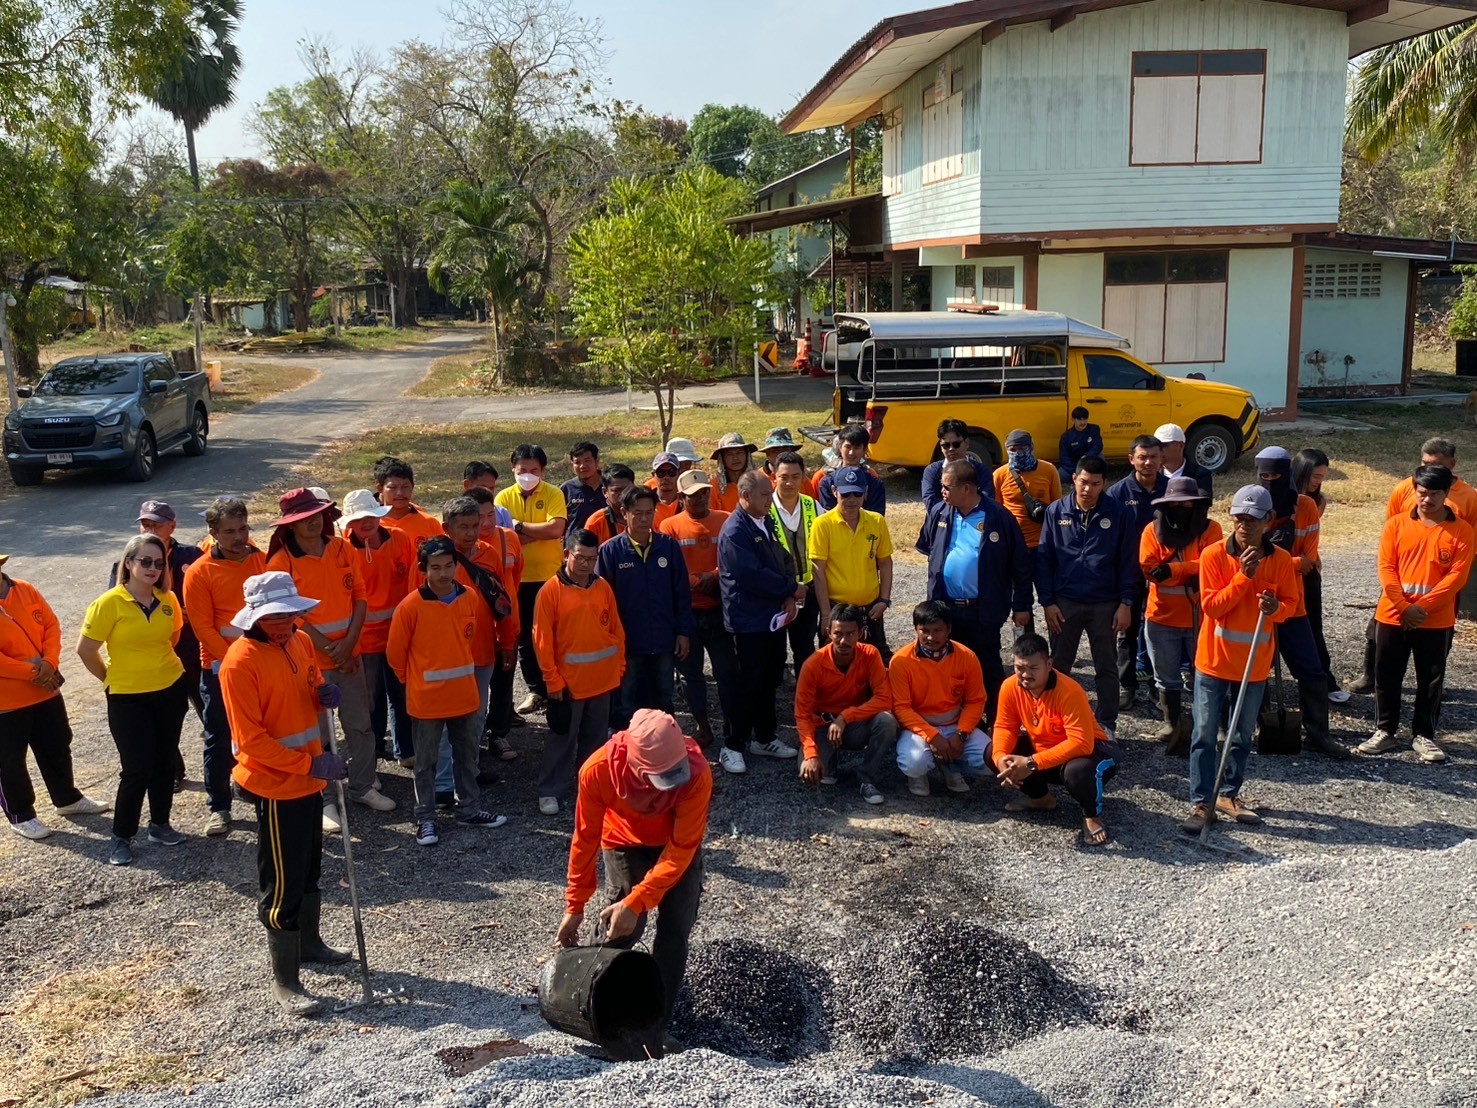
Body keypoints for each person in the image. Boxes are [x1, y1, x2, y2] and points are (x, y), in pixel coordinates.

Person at [219, 571, 352, 1017]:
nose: (284, 624)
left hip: (308, 780)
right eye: (275, 617)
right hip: (277, 787)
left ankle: (310, 945)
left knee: (310, 868)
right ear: (255, 617)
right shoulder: (239, 663)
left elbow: (306, 690)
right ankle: (286, 981)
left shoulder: (300, 642)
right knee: (282, 881)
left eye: (290, 615)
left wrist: (321, 695)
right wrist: (310, 764)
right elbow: (251, 740)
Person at [556, 708, 711, 1053]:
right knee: (622, 926)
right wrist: (575, 905)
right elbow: (585, 839)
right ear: (636, 767)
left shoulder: (697, 773)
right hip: (623, 842)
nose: (672, 784)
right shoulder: (598, 770)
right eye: (661, 778)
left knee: (675, 931)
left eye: (675, 773)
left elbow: (681, 849)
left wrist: (638, 901)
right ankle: (580, 998)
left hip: (675, 848)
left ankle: (655, 1025)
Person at [266, 488, 395, 831]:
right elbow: (290, 616)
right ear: (291, 525)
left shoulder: (341, 548)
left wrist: (349, 644)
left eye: (317, 515)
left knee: (360, 724)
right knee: (317, 736)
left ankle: (362, 786)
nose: (313, 523)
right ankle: (324, 799)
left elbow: (360, 596)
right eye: (304, 518)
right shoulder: (281, 563)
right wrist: (326, 648)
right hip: (310, 663)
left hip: (349, 657)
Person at [1181, 486, 1299, 833]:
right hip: (1214, 662)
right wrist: (1242, 577)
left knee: (1242, 736)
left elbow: (1290, 605)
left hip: (1254, 665)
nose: (1243, 525)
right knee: (1204, 735)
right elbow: (1212, 607)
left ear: (1269, 520)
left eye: (1252, 519)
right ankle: (1201, 802)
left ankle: (1228, 795)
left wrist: (1275, 609)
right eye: (1238, 518)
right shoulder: (1213, 555)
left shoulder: (1280, 561)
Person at [79, 534, 191, 865]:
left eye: (159, 562)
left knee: (164, 761)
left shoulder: (168, 598)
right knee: (136, 768)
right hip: (128, 698)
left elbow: (172, 638)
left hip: (170, 689)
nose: (152, 568)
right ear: (128, 563)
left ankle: (160, 825)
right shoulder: (108, 603)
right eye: (145, 561)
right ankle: (122, 836)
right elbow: (85, 651)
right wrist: (110, 679)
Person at [388, 536, 507, 846]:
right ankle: (426, 819)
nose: (443, 573)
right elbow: (395, 655)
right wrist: (415, 685)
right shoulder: (410, 607)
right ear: (423, 569)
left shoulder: (469, 596)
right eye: (436, 567)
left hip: (464, 697)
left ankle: (469, 809)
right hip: (427, 702)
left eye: (449, 566)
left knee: (467, 757)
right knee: (425, 764)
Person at [1355, 465, 1474, 764]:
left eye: (1434, 494)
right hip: (1393, 615)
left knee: (1431, 679)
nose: (1427, 500)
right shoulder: (1396, 525)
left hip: (1435, 620)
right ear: (1414, 492)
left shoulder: (1462, 530)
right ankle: (1385, 731)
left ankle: (1424, 735)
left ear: (1447, 494)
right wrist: (1404, 607)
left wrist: (1423, 608)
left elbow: (1457, 577)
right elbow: (1386, 568)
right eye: (1422, 493)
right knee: (1387, 675)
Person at [1350, 437, 1477, 692]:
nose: (1430, 469)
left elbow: (1470, 540)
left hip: (1440, 585)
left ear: (1452, 464)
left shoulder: (1469, 497)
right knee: (1379, 629)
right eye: (1425, 463)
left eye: (1437, 464)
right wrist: (1402, 603)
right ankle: (1370, 675)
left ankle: (1432, 681)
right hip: (1400, 581)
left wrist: (1427, 603)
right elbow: (1391, 529)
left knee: (1438, 636)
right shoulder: (1404, 488)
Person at [1, 555, 109, 840]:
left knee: (58, 744)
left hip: (45, 690)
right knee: (8, 760)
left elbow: (50, 625)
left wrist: (50, 661)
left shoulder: (25, 589)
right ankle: (21, 815)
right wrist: (32, 671)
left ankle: (67, 799)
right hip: (6, 702)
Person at [917, 460, 1032, 717]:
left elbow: (1021, 566)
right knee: (949, 667)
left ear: (967, 488)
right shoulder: (940, 512)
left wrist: (1022, 605)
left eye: (947, 487)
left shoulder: (998, 517)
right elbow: (930, 550)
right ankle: (956, 718)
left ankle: (996, 720)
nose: (941, 491)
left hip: (983, 611)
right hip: (946, 609)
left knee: (987, 667)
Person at [1254, 446, 1346, 759]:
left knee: (1312, 670)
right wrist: (1290, 562)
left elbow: (1309, 559)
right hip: (1259, 605)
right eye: (1264, 475)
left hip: (1294, 605)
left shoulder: (1306, 506)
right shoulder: (1251, 501)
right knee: (1257, 671)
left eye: (1275, 475)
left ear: (1288, 474)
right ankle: (1259, 727)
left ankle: (1318, 734)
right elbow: (1248, 557)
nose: (1269, 481)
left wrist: (1276, 562)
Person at [182, 496, 267, 836]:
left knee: (262, 731)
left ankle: (260, 790)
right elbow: (203, 629)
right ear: (213, 533)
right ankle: (219, 806)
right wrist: (236, 662)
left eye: (243, 528)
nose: (239, 537)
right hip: (219, 668)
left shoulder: (262, 561)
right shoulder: (200, 572)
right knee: (219, 736)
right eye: (229, 531)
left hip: (264, 664)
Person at [1036, 455, 1138, 736]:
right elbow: (1044, 559)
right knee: (1058, 666)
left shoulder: (1119, 514)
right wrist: (1047, 602)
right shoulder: (1056, 511)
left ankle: (1106, 724)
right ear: (1074, 479)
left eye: (1095, 484)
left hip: (1105, 603)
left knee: (1106, 666)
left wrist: (1126, 602)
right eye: (1083, 482)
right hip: (1065, 603)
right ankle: (1055, 722)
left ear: (1104, 483)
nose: (1088, 489)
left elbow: (1128, 562)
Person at [109, 500, 202, 792]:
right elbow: (120, 604)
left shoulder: (191, 555)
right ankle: (172, 771)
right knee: (162, 723)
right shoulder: (127, 562)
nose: (149, 529)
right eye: (145, 524)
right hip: (153, 661)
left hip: (194, 650)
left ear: (172, 526)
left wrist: (191, 613)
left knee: (212, 715)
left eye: (156, 524)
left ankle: (232, 771)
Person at [991, 633, 1118, 847]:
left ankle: (1091, 815)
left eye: (1033, 668)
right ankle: (1041, 799)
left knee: (1077, 772)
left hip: (1096, 750)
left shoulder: (1069, 690)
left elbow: (1082, 743)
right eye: (1019, 668)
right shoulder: (1010, 686)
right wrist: (1000, 758)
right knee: (992, 752)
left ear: (1049, 664)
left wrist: (1031, 763)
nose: (1025, 675)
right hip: (1047, 750)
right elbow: (1004, 726)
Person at [717, 471, 803, 774]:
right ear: (745, 496)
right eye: (765, 494)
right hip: (748, 620)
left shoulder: (765, 521)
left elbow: (784, 559)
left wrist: (789, 594)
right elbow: (751, 575)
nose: (770, 499)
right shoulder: (734, 531)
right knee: (748, 682)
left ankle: (764, 737)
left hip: (772, 617)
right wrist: (790, 588)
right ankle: (732, 745)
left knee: (770, 678)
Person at [533, 529, 625, 815]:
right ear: (566, 555)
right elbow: (542, 641)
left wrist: (619, 667)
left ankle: (591, 787)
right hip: (569, 685)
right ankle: (550, 790)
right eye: (580, 557)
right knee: (562, 739)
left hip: (602, 681)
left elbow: (616, 630)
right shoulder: (550, 592)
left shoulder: (602, 587)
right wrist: (552, 680)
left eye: (591, 558)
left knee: (595, 741)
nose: (586, 564)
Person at [441, 496, 521, 789]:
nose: (471, 533)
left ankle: (469, 771)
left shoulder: (489, 554)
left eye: (475, 526)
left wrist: (507, 642)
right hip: (447, 658)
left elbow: (502, 601)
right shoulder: (434, 561)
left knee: (476, 716)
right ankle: (446, 781)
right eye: (463, 527)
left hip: (482, 651)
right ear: (446, 528)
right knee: (447, 720)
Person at [596, 487, 693, 729]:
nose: (643, 519)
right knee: (625, 701)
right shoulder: (610, 551)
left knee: (663, 698)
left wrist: (683, 632)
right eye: (637, 513)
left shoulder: (668, 547)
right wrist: (610, 640)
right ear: (624, 513)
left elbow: (681, 593)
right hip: (627, 643)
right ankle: (624, 743)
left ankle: (664, 743)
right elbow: (601, 601)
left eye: (649, 513)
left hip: (663, 640)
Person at [1138, 477, 1222, 754]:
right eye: (1174, 504)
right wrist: (1190, 572)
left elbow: (1212, 564)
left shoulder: (1211, 529)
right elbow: (1150, 569)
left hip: (1201, 617)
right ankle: (1172, 723)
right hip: (1161, 617)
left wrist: (1174, 570)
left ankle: (1210, 723)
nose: (1180, 509)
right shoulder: (1151, 531)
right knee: (1165, 677)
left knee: (1206, 675)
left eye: (1186, 504)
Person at [659, 470, 738, 748]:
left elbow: (733, 557)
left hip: (719, 610)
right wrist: (697, 581)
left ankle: (733, 728)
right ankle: (703, 727)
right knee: (691, 675)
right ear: (681, 497)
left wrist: (714, 576)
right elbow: (669, 567)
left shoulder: (725, 519)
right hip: (686, 613)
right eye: (693, 495)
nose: (700, 498)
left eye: (704, 492)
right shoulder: (669, 526)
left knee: (727, 673)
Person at [795, 605, 898, 804]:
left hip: (853, 725)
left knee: (887, 721)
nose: (843, 640)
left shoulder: (870, 654)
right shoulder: (812, 665)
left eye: (850, 634)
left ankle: (866, 778)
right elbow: (802, 714)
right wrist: (810, 754)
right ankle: (829, 759)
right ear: (828, 632)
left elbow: (884, 699)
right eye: (838, 634)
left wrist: (845, 718)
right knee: (812, 773)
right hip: (822, 726)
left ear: (861, 633)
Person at [341, 489, 416, 765]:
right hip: (365, 641)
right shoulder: (343, 550)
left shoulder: (400, 538)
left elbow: (413, 581)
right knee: (370, 700)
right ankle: (372, 752)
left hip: (398, 636)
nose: (365, 523)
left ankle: (406, 750)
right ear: (349, 523)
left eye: (370, 516)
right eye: (358, 519)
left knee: (401, 693)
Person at [495, 444, 569, 716]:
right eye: (522, 470)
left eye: (534, 470)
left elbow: (556, 529)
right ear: (513, 469)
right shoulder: (502, 497)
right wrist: (537, 533)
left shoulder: (553, 493)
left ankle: (561, 684)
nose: (528, 475)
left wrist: (518, 527)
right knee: (525, 637)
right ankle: (536, 690)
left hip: (550, 578)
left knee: (556, 634)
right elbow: (502, 538)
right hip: (518, 580)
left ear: (543, 470)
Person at [892, 600, 989, 797]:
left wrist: (961, 735)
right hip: (918, 729)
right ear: (916, 629)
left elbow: (976, 700)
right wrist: (933, 737)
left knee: (991, 761)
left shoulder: (967, 657)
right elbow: (901, 708)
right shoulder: (900, 661)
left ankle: (950, 766)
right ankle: (919, 775)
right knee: (914, 763)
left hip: (955, 725)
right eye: (924, 631)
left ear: (949, 629)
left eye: (937, 630)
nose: (930, 637)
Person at [1106, 434, 1168, 709]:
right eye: (1142, 457)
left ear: (1161, 458)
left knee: (1159, 630)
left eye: (1153, 457)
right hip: (1127, 572)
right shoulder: (1117, 494)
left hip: (1161, 573)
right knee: (1126, 631)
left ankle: (1159, 687)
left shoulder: (1171, 490)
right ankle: (1127, 685)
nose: (1148, 462)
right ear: (1132, 459)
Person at [463, 486, 525, 761]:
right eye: (480, 517)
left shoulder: (509, 538)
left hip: (506, 625)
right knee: (472, 690)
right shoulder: (459, 547)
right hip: (473, 634)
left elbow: (516, 576)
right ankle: (469, 740)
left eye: (491, 515)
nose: (486, 523)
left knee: (503, 683)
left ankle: (498, 733)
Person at [809, 467, 895, 664]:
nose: (852, 499)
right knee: (835, 666)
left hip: (870, 610)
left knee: (873, 664)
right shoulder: (822, 524)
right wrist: (826, 614)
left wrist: (884, 600)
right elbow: (818, 571)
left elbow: (885, 562)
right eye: (845, 494)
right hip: (837, 610)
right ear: (834, 492)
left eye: (857, 494)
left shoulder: (876, 521)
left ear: (865, 492)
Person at [1291, 448, 1345, 702]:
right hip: (1283, 569)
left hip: (1307, 570)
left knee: (1313, 627)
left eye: (1322, 477)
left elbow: (1311, 537)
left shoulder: (1318, 501)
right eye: (1315, 476)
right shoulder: (1280, 497)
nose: (1318, 482)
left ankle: (1325, 680)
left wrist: (1310, 561)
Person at [768, 450, 821, 678]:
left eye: (795, 476)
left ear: (804, 477)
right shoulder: (763, 508)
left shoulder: (813, 506)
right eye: (784, 477)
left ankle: (803, 690)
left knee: (805, 646)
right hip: (775, 592)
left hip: (808, 590)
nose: (789, 482)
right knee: (774, 650)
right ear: (774, 477)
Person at [993, 429, 1061, 553]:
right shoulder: (999, 475)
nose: (1017, 453)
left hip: (1043, 541)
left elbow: (1057, 507)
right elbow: (996, 512)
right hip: (1013, 543)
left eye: (1022, 448)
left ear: (1031, 447)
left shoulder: (1049, 470)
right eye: (1013, 449)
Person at [373, 457, 445, 547]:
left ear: (412, 486)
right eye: (393, 487)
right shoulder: (371, 525)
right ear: (380, 488)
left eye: (405, 487)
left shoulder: (429, 523)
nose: (400, 493)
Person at [922, 419, 991, 512]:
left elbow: (986, 502)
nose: (951, 449)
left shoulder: (981, 471)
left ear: (967, 443)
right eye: (946, 445)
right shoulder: (932, 471)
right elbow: (930, 503)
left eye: (956, 444)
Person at [816, 424, 886, 513]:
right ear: (840, 447)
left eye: (857, 448)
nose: (851, 452)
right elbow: (827, 516)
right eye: (848, 447)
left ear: (865, 450)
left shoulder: (874, 483)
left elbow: (876, 517)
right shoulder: (826, 482)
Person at [1154, 424, 1213, 498]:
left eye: (1164, 445)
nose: (1159, 450)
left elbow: (1203, 502)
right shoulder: (1152, 473)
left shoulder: (1199, 474)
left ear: (1181, 445)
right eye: (1156, 446)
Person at [561, 441, 606, 531]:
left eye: (587, 461)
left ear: (596, 461)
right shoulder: (566, 489)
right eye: (577, 462)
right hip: (575, 540)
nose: (582, 466)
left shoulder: (611, 485)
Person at [710, 432, 758, 513]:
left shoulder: (758, 482)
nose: (735, 458)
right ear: (722, 459)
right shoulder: (714, 487)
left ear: (747, 455)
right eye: (729, 454)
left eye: (739, 453)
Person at [586, 464, 635, 544]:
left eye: (628, 489)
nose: (624, 494)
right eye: (617, 490)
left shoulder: (647, 515)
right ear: (605, 492)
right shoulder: (595, 522)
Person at [1056, 407, 1102, 488]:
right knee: (1062, 473)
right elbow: (1064, 458)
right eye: (1079, 419)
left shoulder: (1094, 429)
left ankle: (1093, 480)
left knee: (1101, 458)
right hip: (1075, 465)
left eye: (1085, 419)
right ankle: (1079, 479)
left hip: (1089, 461)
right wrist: (1077, 471)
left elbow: (1098, 446)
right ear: (1073, 420)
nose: (1083, 422)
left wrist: (1087, 456)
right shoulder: (1066, 437)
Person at [463, 460, 513, 528]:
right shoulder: (455, 515)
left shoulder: (502, 514)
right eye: (483, 487)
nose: (488, 492)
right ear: (467, 485)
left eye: (491, 488)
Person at [650, 452, 683, 529]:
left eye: (672, 472)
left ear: (679, 473)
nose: (666, 477)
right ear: (653, 475)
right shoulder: (647, 503)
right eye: (661, 473)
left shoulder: (687, 501)